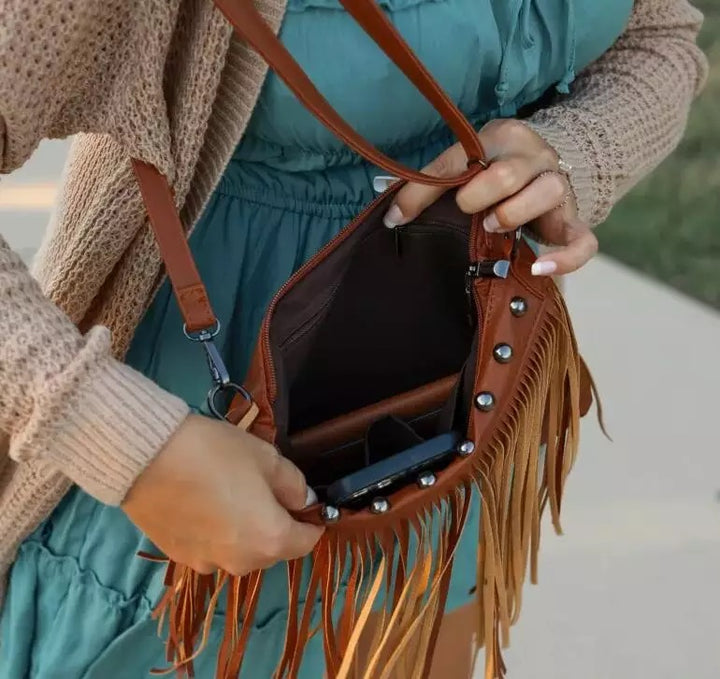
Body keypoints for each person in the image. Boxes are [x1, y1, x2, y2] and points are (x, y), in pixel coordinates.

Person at [0, 0, 707, 677]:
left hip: (443, 431)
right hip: (200, 465)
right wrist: (110, 432)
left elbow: (659, 34)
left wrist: (571, 151)